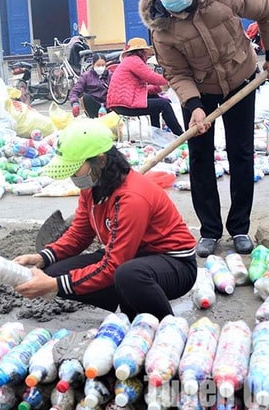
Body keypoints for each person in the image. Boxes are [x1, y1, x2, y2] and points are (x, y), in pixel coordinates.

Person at [139, 0, 269, 258]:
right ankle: (209, 231)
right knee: (201, 157)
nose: (165, 0)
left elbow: (268, 10)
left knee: (241, 153)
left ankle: (240, 228)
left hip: (241, 80)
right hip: (200, 90)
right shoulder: (161, 26)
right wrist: (194, 107)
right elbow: (176, 72)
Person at [12, 119, 197, 320]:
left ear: (100, 160)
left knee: (127, 275)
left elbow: (114, 265)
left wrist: (55, 286)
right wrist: (43, 257)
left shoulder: (132, 198)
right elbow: (79, 234)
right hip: (132, 256)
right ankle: (124, 302)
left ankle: (163, 324)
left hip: (173, 262)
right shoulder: (92, 187)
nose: (73, 176)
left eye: (75, 168)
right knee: (52, 271)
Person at [107, 38, 185, 136]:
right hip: (125, 104)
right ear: (142, 52)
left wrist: (159, 88)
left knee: (156, 99)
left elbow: (139, 91)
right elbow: (151, 77)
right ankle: (180, 135)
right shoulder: (134, 61)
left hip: (119, 104)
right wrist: (171, 79)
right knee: (164, 104)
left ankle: (157, 135)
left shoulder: (128, 61)